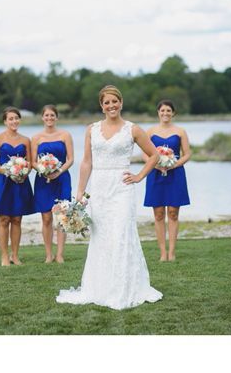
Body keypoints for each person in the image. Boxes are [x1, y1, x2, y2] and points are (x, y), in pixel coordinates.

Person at [57, 85, 163, 310]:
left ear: (121, 103)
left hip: (122, 188)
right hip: (99, 189)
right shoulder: (91, 129)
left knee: (121, 234)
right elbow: (87, 162)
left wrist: (139, 176)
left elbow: (154, 155)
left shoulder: (132, 129)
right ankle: (100, 289)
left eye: (115, 101)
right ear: (101, 106)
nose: (111, 106)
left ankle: (124, 288)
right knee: (102, 237)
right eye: (107, 102)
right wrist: (80, 193)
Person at [143, 100, 191, 261]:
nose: (165, 113)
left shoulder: (180, 131)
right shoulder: (150, 132)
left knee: (173, 213)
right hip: (155, 174)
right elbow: (145, 154)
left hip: (175, 174)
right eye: (162, 110)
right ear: (158, 112)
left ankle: (172, 252)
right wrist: (155, 165)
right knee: (158, 214)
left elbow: (187, 154)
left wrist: (173, 164)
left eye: (168, 111)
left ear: (173, 113)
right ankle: (162, 252)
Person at [0, 107, 34, 266]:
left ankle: (15, 255)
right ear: (5, 121)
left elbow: (30, 163)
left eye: (16, 118)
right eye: (11, 119)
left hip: (20, 182)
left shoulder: (26, 140)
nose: (14, 121)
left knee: (17, 219)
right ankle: (4, 256)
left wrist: (23, 173)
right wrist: (9, 172)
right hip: (3, 182)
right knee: (4, 219)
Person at [29, 105, 74, 263]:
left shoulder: (65, 135)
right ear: (42, 117)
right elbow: (33, 162)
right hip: (43, 180)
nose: (49, 118)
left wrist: (58, 171)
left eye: (52, 115)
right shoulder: (36, 138)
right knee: (46, 218)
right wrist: (43, 170)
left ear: (56, 117)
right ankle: (49, 254)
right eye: (46, 115)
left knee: (62, 216)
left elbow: (70, 159)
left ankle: (60, 254)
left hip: (62, 179)